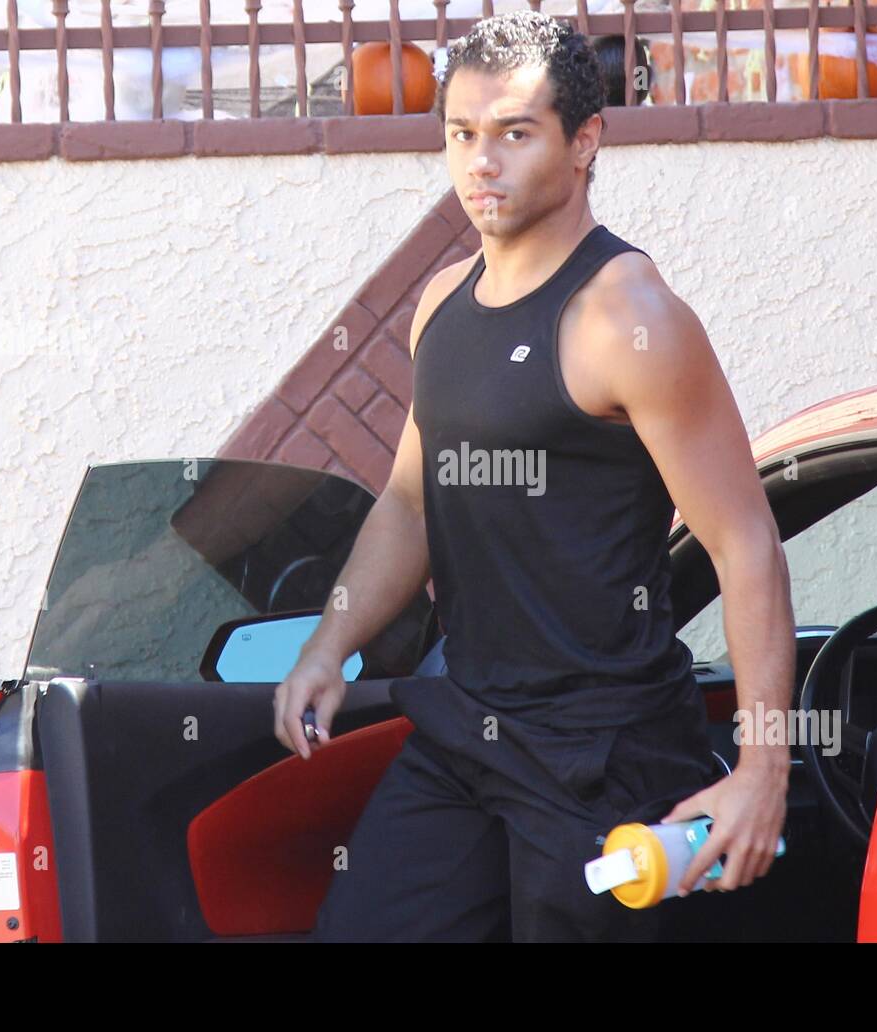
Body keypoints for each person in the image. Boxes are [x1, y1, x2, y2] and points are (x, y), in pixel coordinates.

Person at [276, 10, 795, 942]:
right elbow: (409, 501)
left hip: (605, 752)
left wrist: (762, 771)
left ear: (584, 141)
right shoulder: (440, 303)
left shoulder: (626, 317)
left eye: (515, 134)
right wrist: (330, 644)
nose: (482, 163)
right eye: (461, 135)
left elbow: (745, 542)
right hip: (466, 730)